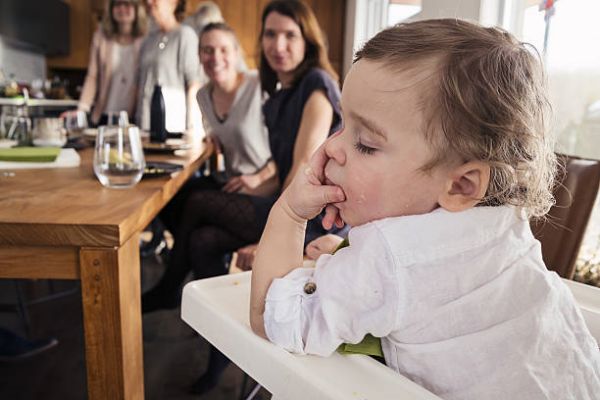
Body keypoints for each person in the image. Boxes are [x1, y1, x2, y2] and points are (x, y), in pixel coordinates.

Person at [250, 18, 600, 400]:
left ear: (461, 184)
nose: (332, 148)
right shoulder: (506, 227)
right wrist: (350, 259)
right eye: (342, 124)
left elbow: (272, 316)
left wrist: (290, 213)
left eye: (365, 143)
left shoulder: (389, 258)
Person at [143, 0, 343, 394]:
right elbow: (280, 169)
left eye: (289, 35)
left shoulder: (316, 85)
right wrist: (254, 186)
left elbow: (302, 174)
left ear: (307, 40)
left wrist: (271, 240)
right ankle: (219, 360)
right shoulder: (280, 93)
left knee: (199, 200)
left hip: (311, 219)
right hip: (287, 204)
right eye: (270, 34)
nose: (278, 44)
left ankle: (170, 288)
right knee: (201, 239)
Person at [78, 0, 147, 126]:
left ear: (137, 9)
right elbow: (92, 76)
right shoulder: (100, 38)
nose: (122, 9)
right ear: (111, 9)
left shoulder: (146, 40)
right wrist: (82, 109)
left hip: (133, 117)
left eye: (127, 4)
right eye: (117, 4)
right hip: (105, 114)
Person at [137, 0, 201, 136]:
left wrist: (193, 129)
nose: (149, 2)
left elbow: (193, 84)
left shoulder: (185, 35)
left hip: (172, 129)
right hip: (144, 126)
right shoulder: (148, 41)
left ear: (174, 2)